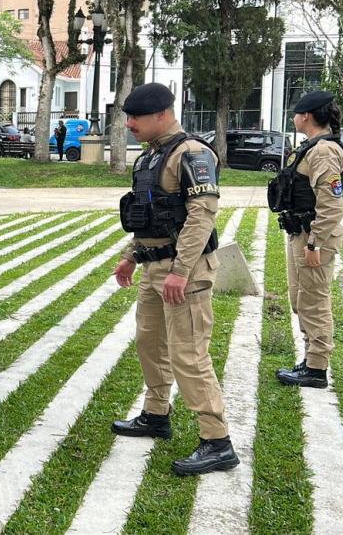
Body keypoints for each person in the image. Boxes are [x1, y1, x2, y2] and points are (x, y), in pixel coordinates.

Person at [112, 82, 238, 476]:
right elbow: (146, 216)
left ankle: (217, 441)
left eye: (135, 116)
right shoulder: (151, 157)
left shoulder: (193, 154)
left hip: (185, 271)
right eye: (128, 116)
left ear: (161, 114)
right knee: (150, 343)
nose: (129, 123)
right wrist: (130, 257)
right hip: (153, 268)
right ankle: (156, 414)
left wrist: (181, 272)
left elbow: (202, 216)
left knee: (188, 354)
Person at [271, 91, 343, 388]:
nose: (293, 118)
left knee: (313, 300)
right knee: (300, 297)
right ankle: (310, 358)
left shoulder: (324, 151)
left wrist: (315, 243)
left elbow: (331, 204)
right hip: (301, 232)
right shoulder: (312, 148)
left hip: (314, 237)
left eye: (295, 113)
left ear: (306, 116)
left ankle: (316, 368)